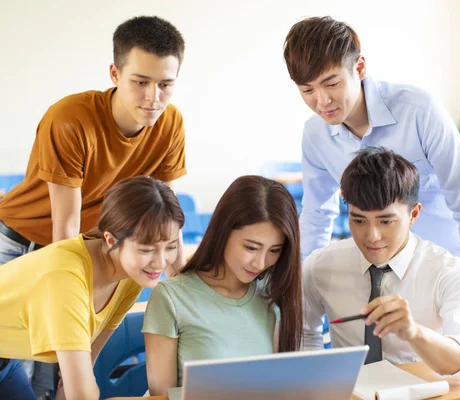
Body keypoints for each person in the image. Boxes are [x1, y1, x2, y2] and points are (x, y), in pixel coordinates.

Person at [283, 16, 460, 356]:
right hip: (400, 275)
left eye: (331, 83)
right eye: (307, 90)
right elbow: (316, 216)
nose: (322, 101)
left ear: (360, 67)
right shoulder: (315, 134)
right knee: (413, 376)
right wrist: (301, 290)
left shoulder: (417, 110)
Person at [0, 15, 186, 272]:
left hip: (86, 245)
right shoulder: (69, 119)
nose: (153, 97)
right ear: (115, 74)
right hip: (16, 242)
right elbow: (66, 227)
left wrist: (181, 282)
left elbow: (166, 215)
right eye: (141, 82)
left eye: (165, 84)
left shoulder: (171, 123)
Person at [303, 147, 460, 379]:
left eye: (386, 221)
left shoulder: (448, 272)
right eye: (358, 220)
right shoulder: (320, 266)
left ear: (414, 215)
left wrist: (413, 332)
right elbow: (303, 335)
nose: (372, 236)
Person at [0, 176, 186, 400]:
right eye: (147, 250)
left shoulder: (129, 275)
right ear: (110, 239)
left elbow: (82, 370)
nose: (160, 262)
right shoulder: (66, 278)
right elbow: (82, 394)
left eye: (171, 247)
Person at [142, 175, 303, 395]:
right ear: (223, 232)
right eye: (251, 248)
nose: (260, 263)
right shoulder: (171, 298)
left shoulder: (270, 293)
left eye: (274, 250)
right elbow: (161, 397)